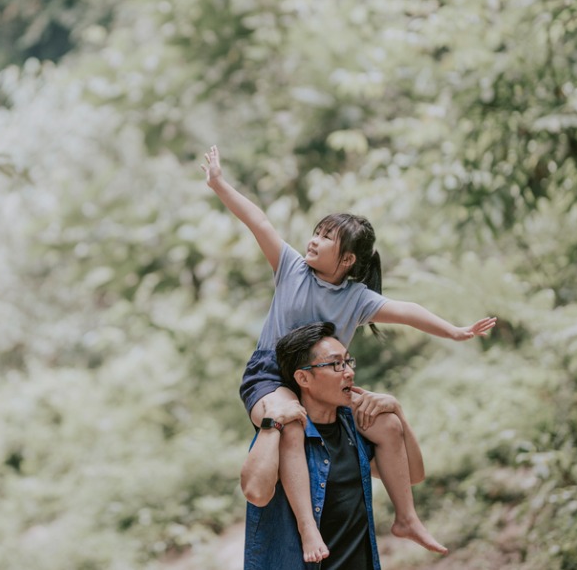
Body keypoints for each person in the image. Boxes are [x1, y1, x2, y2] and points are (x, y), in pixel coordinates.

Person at [202, 145, 496, 561]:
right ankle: (308, 530)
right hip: (271, 376)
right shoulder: (290, 267)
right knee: (291, 423)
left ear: (348, 259)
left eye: (326, 238)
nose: (313, 240)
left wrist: (454, 331)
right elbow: (259, 220)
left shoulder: (357, 299)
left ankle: (406, 518)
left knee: (387, 423)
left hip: (326, 379)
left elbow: (408, 312)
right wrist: (218, 183)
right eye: (316, 232)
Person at [242, 321, 422, 569]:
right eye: (336, 364)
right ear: (303, 377)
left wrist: (398, 413)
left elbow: (413, 475)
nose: (348, 371)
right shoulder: (283, 433)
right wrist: (271, 422)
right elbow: (255, 493)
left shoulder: (353, 430)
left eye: (348, 362)